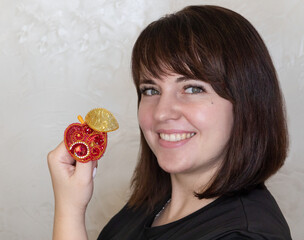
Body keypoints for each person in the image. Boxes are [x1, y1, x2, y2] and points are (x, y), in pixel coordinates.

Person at [47, 5, 292, 240]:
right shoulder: (150, 205)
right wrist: (70, 207)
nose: (162, 113)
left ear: (247, 103)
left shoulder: (244, 235)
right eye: (151, 90)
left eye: (193, 88)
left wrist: (69, 212)